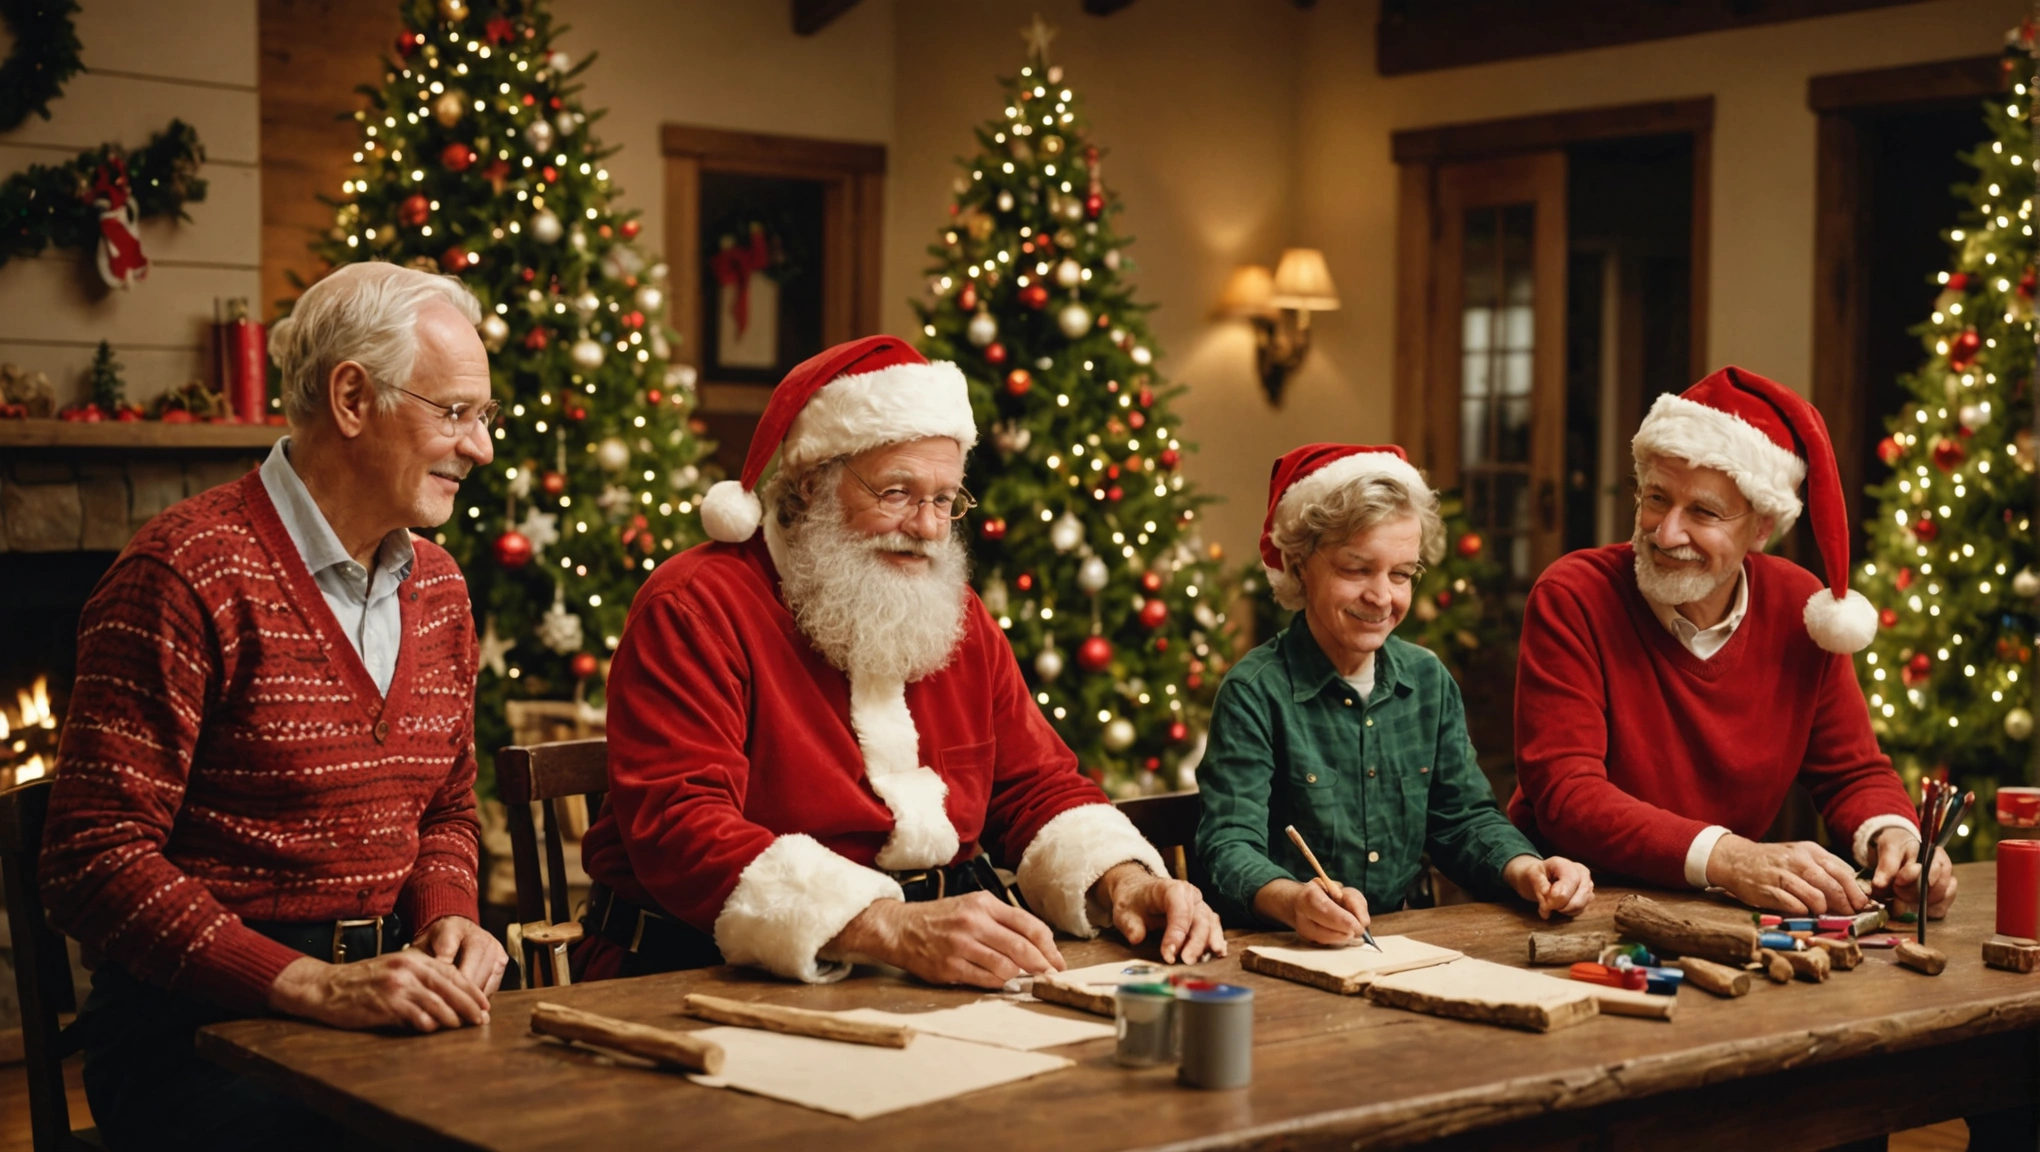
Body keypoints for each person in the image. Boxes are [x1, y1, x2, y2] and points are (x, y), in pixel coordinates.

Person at [573, 335, 1224, 987]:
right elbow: (682, 829)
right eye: (897, 492)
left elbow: (1033, 786)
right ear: (810, 486)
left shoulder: (956, 612)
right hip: (704, 969)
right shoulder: (695, 606)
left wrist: (1123, 880)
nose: (928, 526)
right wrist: (889, 926)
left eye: (945, 499)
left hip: (926, 963)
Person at [38, 262, 507, 1152]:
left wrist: (451, 913)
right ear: (352, 398)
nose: (479, 448)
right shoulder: (184, 572)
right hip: (202, 1038)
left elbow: (444, 806)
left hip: (391, 1007)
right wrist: (305, 984)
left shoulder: (440, 589)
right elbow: (89, 859)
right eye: (454, 413)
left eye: (482, 418)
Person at [1510, 366, 1954, 919]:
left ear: (1762, 527)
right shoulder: (1574, 595)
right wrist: (1729, 858)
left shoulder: (1801, 607)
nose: (1667, 533)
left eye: (1703, 512)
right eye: (1656, 498)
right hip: (1569, 906)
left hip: (1718, 913)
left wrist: (1896, 841)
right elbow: (1567, 797)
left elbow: (1852, 773)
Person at [1196, 444, 1594, 943]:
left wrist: (1525, 869)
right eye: (1356, 570)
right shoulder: (1255, 693)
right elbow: (1228, 848)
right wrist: (1295, 901)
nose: (1382, 596)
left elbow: (1464, 820)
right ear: (1299, 564)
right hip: (1284, 953)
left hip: (1402, 947)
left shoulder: (1427, 681)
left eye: (1401, 574)